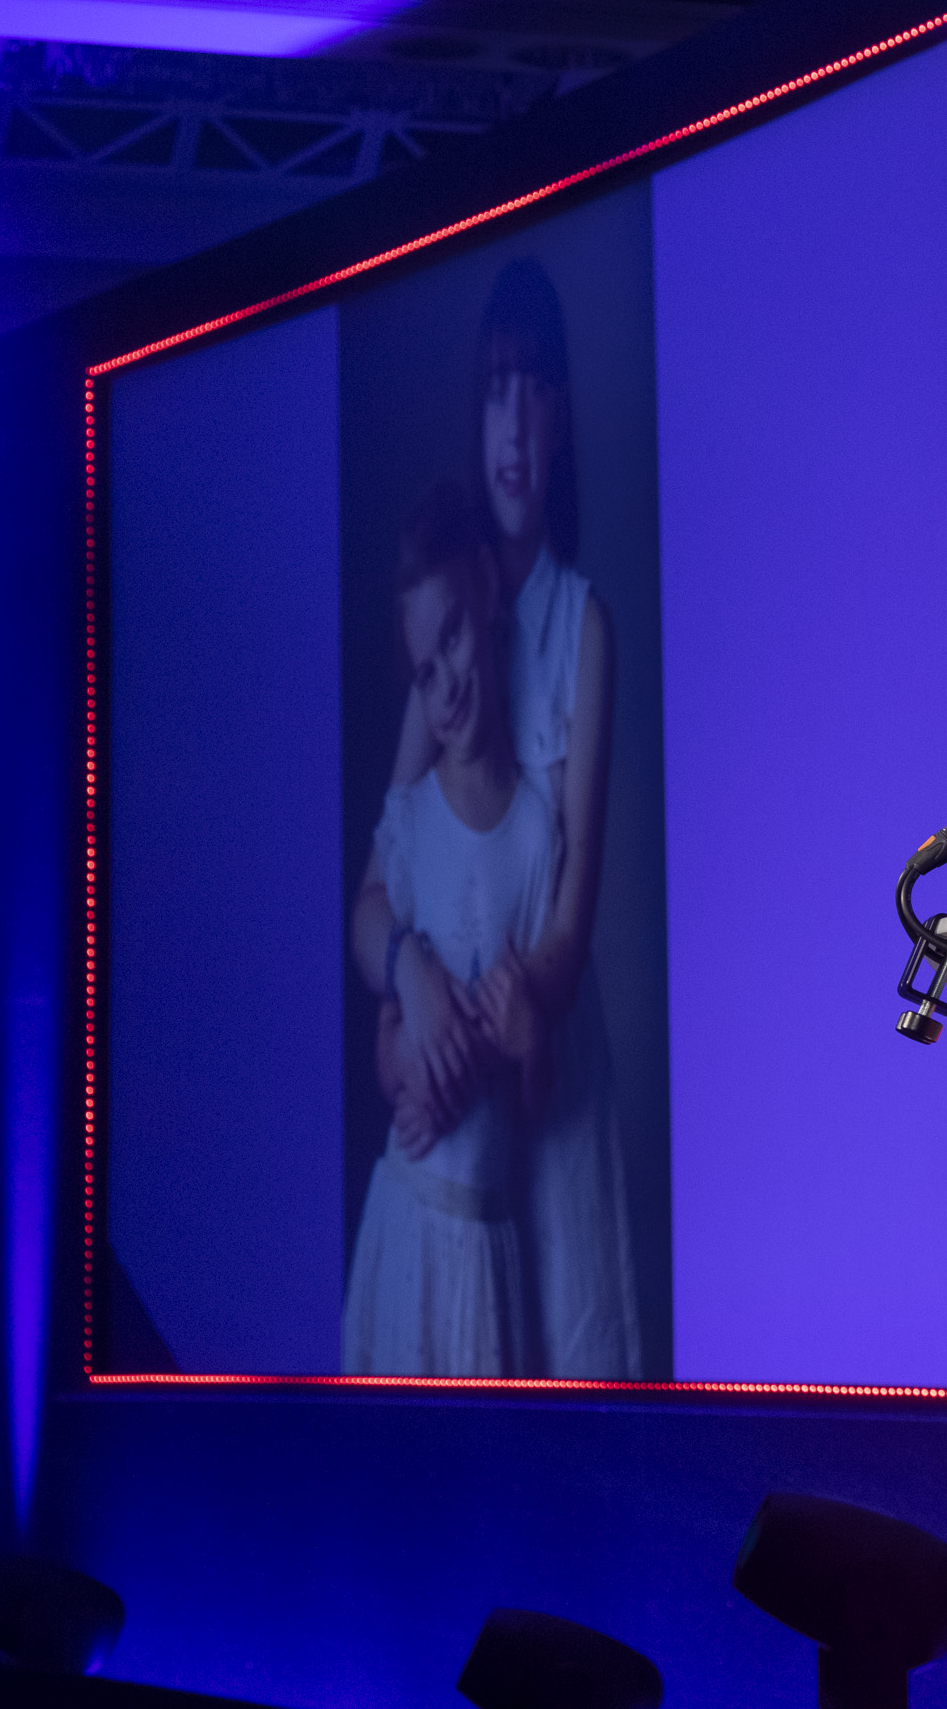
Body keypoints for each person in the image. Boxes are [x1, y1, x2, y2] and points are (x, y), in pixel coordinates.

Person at [381, 258, 644, 1379]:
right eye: (496, 390)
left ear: (563, 417)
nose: (515, 424)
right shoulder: (455, 620)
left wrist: (484, 1036)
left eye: (535, 389)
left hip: (548, 1066)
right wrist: (413, 989)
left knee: (569, 1383)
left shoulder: (585, 626)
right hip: (455, 1085)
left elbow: (569, 928)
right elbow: (381, 883)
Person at [344, 483, 555, 1376]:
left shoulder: (538, 832)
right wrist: (405, 1060)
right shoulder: (414, 820)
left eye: (457, 638)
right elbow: (386, 1034)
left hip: (487, 1237)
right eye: (425, 674)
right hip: (404, 1211)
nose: (448, 685)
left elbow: (539, 1101)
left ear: (487, 595)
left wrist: (522, 1046)